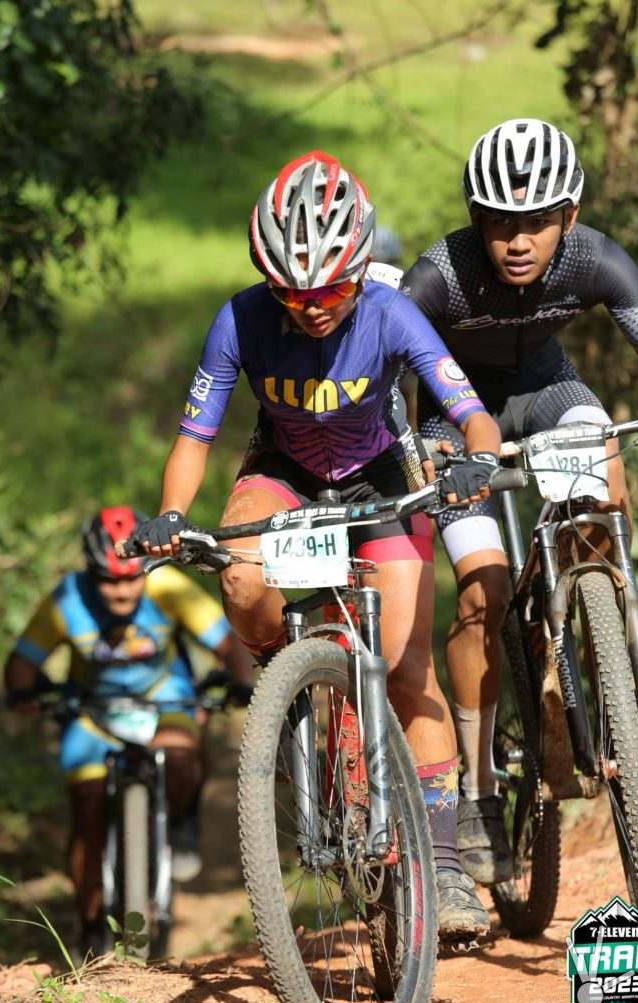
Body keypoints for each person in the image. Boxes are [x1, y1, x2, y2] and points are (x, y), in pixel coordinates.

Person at [132, 150, 502, 944]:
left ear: (361, 271)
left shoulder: (391, 313)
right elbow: (195, 436)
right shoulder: (238, 320)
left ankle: (441, 866)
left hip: (380, 480)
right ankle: (285, 679)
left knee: (406, 665)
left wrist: (477, 458)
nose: (312, 309)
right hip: (285, 473)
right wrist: (170, 515)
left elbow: (470, 411)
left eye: (331, 290)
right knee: (240, 578)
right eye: (292, 292)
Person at [400, 117, 638, 886]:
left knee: (603, 477)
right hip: (454, 418)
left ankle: (605, 650)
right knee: (482, 595)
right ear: (475, 219)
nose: (518, 241)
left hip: (550, 393)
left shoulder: (597, 259)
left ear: (570, 216)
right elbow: (391, 382)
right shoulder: (438, 276)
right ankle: (480, 790)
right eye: (499, 223)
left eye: (538, 222)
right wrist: (418, 451)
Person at [4, 505, 253, 957]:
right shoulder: (67, 600)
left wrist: (239, 683)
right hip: (93, 710)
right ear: (91, 573)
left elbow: (227, 644)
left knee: (179, 754)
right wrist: (23, 693)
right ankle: (89, 925)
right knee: (87, 808)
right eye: (109, 581)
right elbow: (22, 663)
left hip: (165, 699)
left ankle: (180, 819)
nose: (122, 592)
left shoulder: (169, 588)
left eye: (131, 580)